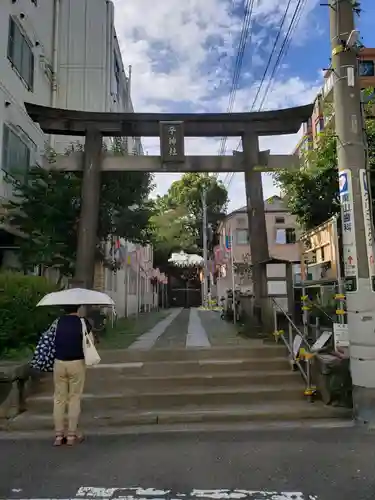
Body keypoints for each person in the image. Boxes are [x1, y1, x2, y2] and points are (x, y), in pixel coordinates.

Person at [53, 304, 93, 446]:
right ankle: (71, 435)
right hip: (76, 362)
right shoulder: (82, 322)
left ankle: (58, 436)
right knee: (74, 398)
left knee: (59, 399)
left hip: (59, 363)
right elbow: (90, 343)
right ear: (78, 308)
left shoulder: (57, 322)